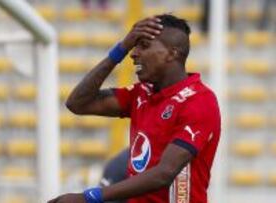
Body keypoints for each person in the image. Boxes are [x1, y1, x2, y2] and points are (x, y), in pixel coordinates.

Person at [48, 14, 221, 203]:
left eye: (144, 46)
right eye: (134, 46)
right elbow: (78, 103)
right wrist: (120, 49)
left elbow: (165, 173)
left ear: (172, 53)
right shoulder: (141, 94)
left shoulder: (199, 101)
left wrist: (90, 197)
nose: (134, 53)